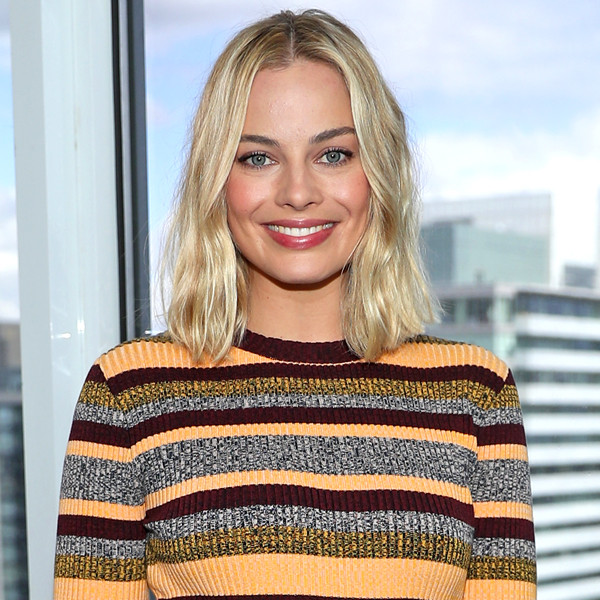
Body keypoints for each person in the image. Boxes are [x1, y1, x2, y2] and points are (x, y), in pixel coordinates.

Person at [54, 9, 536, 600]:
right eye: (258, 157)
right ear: (216, 179)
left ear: (378, 172)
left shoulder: (475, 393)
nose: (299, 193)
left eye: (333, 154)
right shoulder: (129, 392)